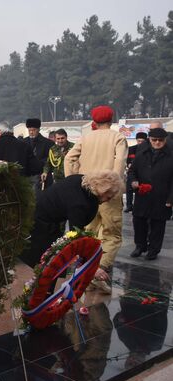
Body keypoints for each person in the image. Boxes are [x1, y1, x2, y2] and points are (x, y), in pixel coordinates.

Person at [65, 105, 128, 294]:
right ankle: (97, 271)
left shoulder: (85, 137)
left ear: (94, 121)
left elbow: (69, 158)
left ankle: (88, 271)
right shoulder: (117, 137)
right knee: (112, 235)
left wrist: (73, 181)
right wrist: (112, 186)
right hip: (109, 193)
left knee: (90, 233)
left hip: (87, 191)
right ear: (111, 119)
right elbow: (120, 162)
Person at [20, 171, 122, 286]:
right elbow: (76, 236)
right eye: (108, 197)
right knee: (51, 265)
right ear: (103, 190)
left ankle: (40, 289)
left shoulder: (81, 180)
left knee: (52, 264)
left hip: (40, 214)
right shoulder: (80, 203)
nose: (107, 201)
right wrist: (92, 267)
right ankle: (40, 294)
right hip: (40, 222)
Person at [128, 128, 173, 261]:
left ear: (165, 140)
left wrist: (171, 199)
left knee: (158, 225)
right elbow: (131, 172)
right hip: (143, 195)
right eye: (154, 140)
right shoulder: (142, 154)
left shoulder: (171, 156)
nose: (157, 143)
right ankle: (140, 246)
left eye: (160, 140)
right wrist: (134, 181)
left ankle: (153, 250)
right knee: (139, 222)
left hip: (162, 197)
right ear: (149, 140)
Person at [23, 118, 54, 190]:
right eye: (29, 130)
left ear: (38, 129)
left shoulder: (48, 143)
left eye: (33, 130)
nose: (31, 132)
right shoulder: (23, 142)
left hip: (42, 175)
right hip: (28, 176)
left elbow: (49, 160)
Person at [124, 132, 148, 213]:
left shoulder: (148, 150)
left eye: (142, 141)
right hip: (132, 173)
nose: (140, 143)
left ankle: (142, 206)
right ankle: (129, 206)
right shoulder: (131, 149)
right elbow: (126, 160)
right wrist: (128, 164)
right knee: (129, 190)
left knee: (142, 190)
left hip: (143, 174)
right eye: (138, 141)